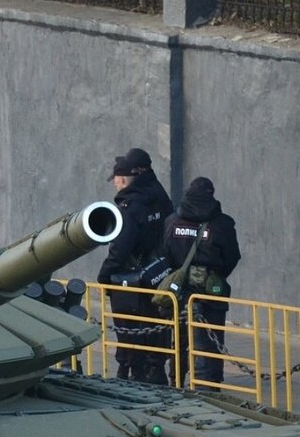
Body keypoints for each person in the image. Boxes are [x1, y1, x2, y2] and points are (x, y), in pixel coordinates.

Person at [95, 147, 172, 384]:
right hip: (159, 273)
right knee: (157, 324)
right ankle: (156, 370)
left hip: (131, 279)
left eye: (116, 180)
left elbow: (121, 246)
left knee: (130, 327)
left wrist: (105, 274)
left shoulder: (130, 206)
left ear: (123, 178)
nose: (115, 185)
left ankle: (131, 372)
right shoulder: (160, 195)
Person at [160, 176, 240, 387]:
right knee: (212, 338)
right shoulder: (222, 224)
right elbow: (232, 256)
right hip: (211, 292)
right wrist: (215, 274)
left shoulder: (172, 222)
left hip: (180, 291)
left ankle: (176, 380)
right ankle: (210, 384)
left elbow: (166, 253)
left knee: (180, 338)